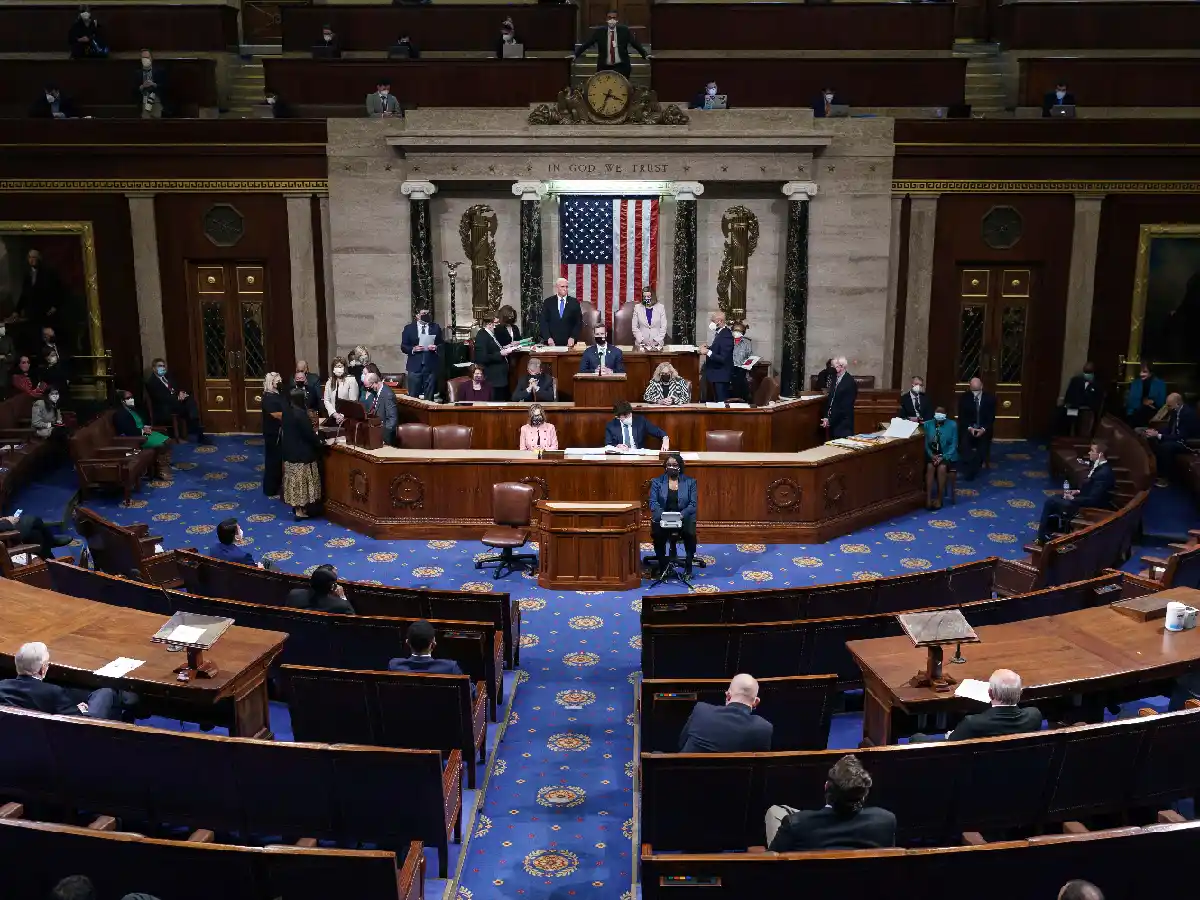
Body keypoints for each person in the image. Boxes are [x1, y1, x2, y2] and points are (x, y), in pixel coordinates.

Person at [766, 755, 896, 852]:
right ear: (864, 794)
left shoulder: (795, 823)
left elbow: (772, 862)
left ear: (826, 786)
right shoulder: (885, 820)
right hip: (865, 887)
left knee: (775, 812)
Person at [0, 642, 129, 720]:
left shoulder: (2, 687)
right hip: (74, 735)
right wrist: (81, 711)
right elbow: (78, 720)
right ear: (42, 669)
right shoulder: (53, 692)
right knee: (106, 693)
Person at [1036, 440, 1115, 543]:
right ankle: (1050, 531)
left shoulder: (1103, 474)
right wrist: (1076, 491)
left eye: (1092, 450)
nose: (1089, 453)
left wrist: (1073, 499)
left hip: (1087, 508)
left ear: (1100, 454)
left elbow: (1094, 500)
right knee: (1056, 498)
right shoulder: (1099, 467)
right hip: (1083, 500)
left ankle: (1043, 536)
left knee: (1051, 502)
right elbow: (1091, 489)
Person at [677, 673, 771, 752]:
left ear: (728, 696)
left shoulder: (701, 710)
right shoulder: (764, 728)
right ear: (756, 702)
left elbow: (681, 744)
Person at [947, 668, 1043, 741]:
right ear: (1020, 693)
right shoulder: (1035, 716)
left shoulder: (971, 723)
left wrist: (950, 735)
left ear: (990, 693)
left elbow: (951, 744)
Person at [649, 452, 698, 576]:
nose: (671, 467)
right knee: (658, 534)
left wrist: (681, 515)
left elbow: (693, 504)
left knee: (690, 533)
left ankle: (688, 564)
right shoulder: (657, 482)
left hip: (683, 516)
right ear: (665, 467)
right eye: (669, 465)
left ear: (680, 466)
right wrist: (664, 515)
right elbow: (653, 503)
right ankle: (662, 563)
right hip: (663, 516)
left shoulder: (690, 482)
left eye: (674, 465)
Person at [280, 388, 323, 518]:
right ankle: (300, 511)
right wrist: (320, 442)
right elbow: (308, 434)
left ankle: (298, 508)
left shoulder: (287, 411)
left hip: (289, 452)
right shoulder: (300, 414)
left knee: (294, 482)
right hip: (301, 454)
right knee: (302, 483)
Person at [574, 10, 648, 81]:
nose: (611, 20)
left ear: (617, 19)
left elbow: (635, 43)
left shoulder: (624, 31)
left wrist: (645, 55)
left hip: (621, 67)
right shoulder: (600, 31)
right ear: (606, 19)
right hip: (604, 67)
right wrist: (576, 55)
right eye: (609, 17)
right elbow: (588, 43)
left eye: (614, 18)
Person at [146, 356, 206, 443]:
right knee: (189, 406)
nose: (162, 368)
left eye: (163, 366)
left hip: (175, 402)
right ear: (154, 368)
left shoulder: (168, 376)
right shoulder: (152, 382)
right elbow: (161, 398)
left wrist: (181, 393)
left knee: (190, 400)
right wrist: (177, 398)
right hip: (165, 407)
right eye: (160, 366)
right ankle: (197, 428)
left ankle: (196, 426)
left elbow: (175, 388)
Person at [1144, 392, 1198, 487]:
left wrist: (1159, 435)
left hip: (1188, 443)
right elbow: (1169, 429)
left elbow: (1181, 436)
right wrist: (1155, 431)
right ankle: (1158, 473)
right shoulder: (1174, 411)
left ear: (1177, 404)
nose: (1167, 407)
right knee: (1153, 440)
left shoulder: (1188, 414)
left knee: (1166, 447)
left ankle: (1166, 479)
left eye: (1169, 405)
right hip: (1177, 439)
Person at [114, 389, 171, 479]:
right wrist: (142, 431)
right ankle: (161, 470)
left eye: (132, 397)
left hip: (143, 433)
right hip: (136, 439)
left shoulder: (132, 409)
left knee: (167, 440)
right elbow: (129, 431)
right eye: (128, 398)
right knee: (161, 445)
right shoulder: (120, 414)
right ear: (122, 401)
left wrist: (145, 427)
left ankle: (162, 467)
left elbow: (140, 422)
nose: (131, 399)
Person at [389, 619, 465, 675]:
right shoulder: (450, 668)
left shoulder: (394, 666)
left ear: (408, 643)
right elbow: (470, 692)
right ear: (433, 644)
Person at [956, 376, 995, 480]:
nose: (975, 393)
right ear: (970, 388)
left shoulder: (990, 398)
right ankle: (973, 461)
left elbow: (991, 418)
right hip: (968, 428)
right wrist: (970, 428)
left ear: (982, 386)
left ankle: (971, 472)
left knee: (982, 448)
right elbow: (962, 417)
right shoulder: (964, 398)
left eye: (977, 390)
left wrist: (983, 429)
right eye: (973, 390)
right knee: (963, 445)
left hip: (984, 430)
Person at [401, 307, 443, 400]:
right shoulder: (409, 328)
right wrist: (413, 349)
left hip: (430, 366)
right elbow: (403, 346)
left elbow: (442, 344)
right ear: (417, 316)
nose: (426, 316)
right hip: (415, 366)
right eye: (424, 313)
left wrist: (436, 347)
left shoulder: (435, 327)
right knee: (413, 396)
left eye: (428, 313)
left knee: (429, 397)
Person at [473, 314, 516, 402]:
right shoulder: (482, 336)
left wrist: (505, 347)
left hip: (500, 377)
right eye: (495, 324)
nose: (497, 326)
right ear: (489, 324)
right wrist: (500, 354)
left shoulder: (491, 334)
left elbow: (493, 349)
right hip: (493, 378)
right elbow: (481, 357)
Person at [923, 407, 958, 510]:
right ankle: (928, 499)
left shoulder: (952, 425)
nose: (939, 415)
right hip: (932, 454)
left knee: (942, 468)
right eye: (937, 413)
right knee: (930, 466)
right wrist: (931, 455)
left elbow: (954, 444)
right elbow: (925, 444)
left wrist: (944, 456)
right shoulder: (927, 424)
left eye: (942, 414)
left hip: (947, 454)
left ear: (946, 415)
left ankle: (939, 498)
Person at [285, 564, 355, 614]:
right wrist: (343, 597)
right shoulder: (342, 605)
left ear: (310, 583)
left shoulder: (293, 594)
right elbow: (352, 620)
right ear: (333, 588)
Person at [0, 512, 71, 559]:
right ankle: (51, 542)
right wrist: (8, 521)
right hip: (4, 537)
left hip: (5, 531)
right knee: (32, 521)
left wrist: (3, 519)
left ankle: (49, 558)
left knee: (35, 533)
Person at [604, 400, 669, 451]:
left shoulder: (641, 421)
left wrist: (665, 438)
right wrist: (617, 446)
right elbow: (608, 445)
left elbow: (658, 431)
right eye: (626, 416)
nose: (629, 417)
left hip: (638, 455)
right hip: (620, 457)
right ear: (618, 417)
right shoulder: (611, 426)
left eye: (629, 414)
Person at [1059, 361, 1103, 435]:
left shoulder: (1097, 385)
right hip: (1074, 408)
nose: (1087, 374)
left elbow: (1097, 400)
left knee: (1084, 424)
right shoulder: (1076, 381)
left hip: (1087, 410)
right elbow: (1069, 395)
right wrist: (1067, 405)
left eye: (1090, 372)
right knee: (1066, 419)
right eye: (1086, 371)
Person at [260, 372, 284, 498]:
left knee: (277, 460)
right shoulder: (268, 397)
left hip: (278, 432)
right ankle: (270, 489)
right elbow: (275, 414)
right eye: (277, 380)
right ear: (271, 382)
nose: (280, 382)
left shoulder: (277, 394)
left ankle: (277, 486)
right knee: (272, 461)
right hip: (272, 433)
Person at [821, 355, 858, 439]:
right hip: (833, 423)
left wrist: (830, 420)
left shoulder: (849, 382)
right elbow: (831, 400)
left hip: (843, 426)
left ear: (841, 367)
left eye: (833, 366)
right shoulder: (835, 378)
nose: (831, 368)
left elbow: (845, 407)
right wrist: (826, 417)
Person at [540, 277, 582, 348]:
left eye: (566, 287)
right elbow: (543, 321)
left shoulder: (574, 302)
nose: (565, 289)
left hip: (569, 344)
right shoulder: (548, 302)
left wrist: (573, 337)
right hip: (551, 343)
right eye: (562, 286)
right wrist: (548, 338)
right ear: (557, 287)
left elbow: (578, 322)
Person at [701, 310, 734, 401]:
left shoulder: (726, 335)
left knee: (721, 403)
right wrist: (709, 347)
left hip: (721, 376)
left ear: (719, 321)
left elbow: (723, 358)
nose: (711, 323)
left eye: (712, 321)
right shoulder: (720, 333)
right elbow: (719, 349)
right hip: (717, 375)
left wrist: (707, 352)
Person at [1124, 361, 1167, 428]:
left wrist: (1152, 402)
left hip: (1153, 411)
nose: (1141, 374)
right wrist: (1143, 402)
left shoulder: (1160, 383)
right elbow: (1131, 402)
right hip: (1136, 411)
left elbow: (1161, 402)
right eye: (1140, 371)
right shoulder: (1135, 383)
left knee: (1146, 410)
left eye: (1144, 371)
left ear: (1151, 373)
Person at [361, 371, 398, 444]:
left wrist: (382, 437)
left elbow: (392, 420)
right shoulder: (376, 392)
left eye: (369, 387)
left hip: (385, 438)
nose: (369, 390)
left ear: (375, 382)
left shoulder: (388, 395)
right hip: (375, 433)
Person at [322, 356, 360, 423]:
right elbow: (327, 400)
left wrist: (342, 416)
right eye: (336, 366)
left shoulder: (351, 380)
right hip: (333, 416)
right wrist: (335, 414)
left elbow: (353, 402)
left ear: (344, 368)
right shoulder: (330, 381)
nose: (338, 369)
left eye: (340, 366)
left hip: (347, 418)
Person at [136, 49, 166, 119]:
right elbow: (133, 90)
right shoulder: (137, 73)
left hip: (156, 101)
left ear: (151, 58)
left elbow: (165, 87)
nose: (146, 59)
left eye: (147, 57)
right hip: (143, 101)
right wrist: (142, 86)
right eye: (144, 58)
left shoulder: (160, 72)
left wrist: (154, 84)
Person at [730, 319, 754, 401]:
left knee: (742, 385)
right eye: (735, 330)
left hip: (742, 372)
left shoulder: (747, 343)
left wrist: (747, 365)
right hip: (729, 371)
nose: (736, 332)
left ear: (742, 333)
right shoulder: (727, 341)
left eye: (739, 331)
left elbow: (750, 357)